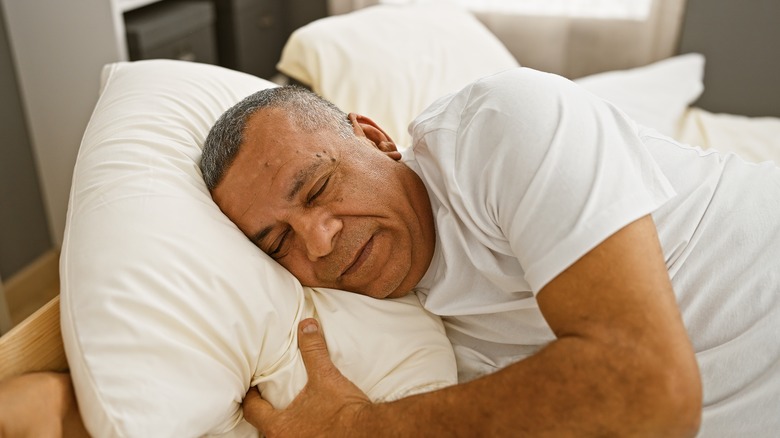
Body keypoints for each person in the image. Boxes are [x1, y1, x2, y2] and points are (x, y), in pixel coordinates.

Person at [202, 67, 780, 437]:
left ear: (375, 139)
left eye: (320, 188)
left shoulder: (499, 126)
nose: (319, 241)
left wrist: (358, 431)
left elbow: (649, 387)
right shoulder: (390, 334)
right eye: (278, 243)